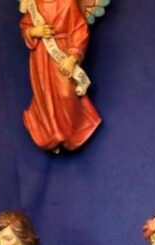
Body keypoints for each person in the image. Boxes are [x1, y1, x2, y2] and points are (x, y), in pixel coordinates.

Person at [20, 0, 102, 151]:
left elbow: (79, 30)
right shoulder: (34, 4)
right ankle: (52, 134)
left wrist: (72, 57)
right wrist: (33, 32)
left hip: (62, 53)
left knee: (66, 93)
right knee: (44, 94)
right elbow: (25, 26)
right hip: (40, 57)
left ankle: (73, 132)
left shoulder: (68, 3)